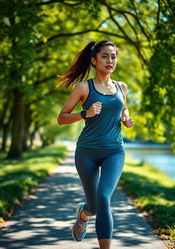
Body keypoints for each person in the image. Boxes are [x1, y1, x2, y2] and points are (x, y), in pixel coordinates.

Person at [57, 40, 134, 249]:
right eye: (105, 56)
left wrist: (126, 118)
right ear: (94, 60)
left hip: (114, 151)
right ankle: (83, 214)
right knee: (94, 206)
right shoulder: (83, 87)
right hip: (87, 153)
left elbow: (123, 109)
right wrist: (85, 113)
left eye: (114, 56)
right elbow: (61, 118)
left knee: (103, 197)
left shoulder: (121, 87)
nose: (110, 60)